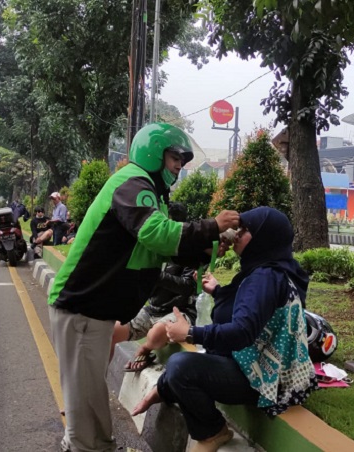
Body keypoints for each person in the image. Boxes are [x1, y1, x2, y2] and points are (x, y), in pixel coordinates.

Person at [47, 123, 239, 452]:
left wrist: (207, 246)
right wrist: (211, 226)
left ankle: (101, 446)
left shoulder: (148, 192)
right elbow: (155, 233)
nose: (179, 165)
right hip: (80, 305)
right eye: (174, 157)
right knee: (82, 401)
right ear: (153, 153)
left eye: (182, 160)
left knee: (90, 392)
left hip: (96, 309)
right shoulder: (132, 183)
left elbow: (160, 247)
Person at [131, 207, 317, 452]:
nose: (237, 234)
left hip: (261, 379)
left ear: (263, 237)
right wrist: (218, 292)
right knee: (191, 363)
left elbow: (241, 332)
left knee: (180, 367)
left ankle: (213, 432)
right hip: (263, 366)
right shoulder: (275, 268)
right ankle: (163, 389)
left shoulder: (264, 278)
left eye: (246, 229)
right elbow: (251, 309)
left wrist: (189, 333)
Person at [111, 202, 197, 371]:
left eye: (163, 222)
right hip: (152, 309)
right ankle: (98, 378)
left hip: (179, 312)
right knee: (111, 332)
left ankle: (145, 349)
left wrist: (155, 275)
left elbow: (188, 287)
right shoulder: (153, 247)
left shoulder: (190, 251)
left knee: (155, 333)